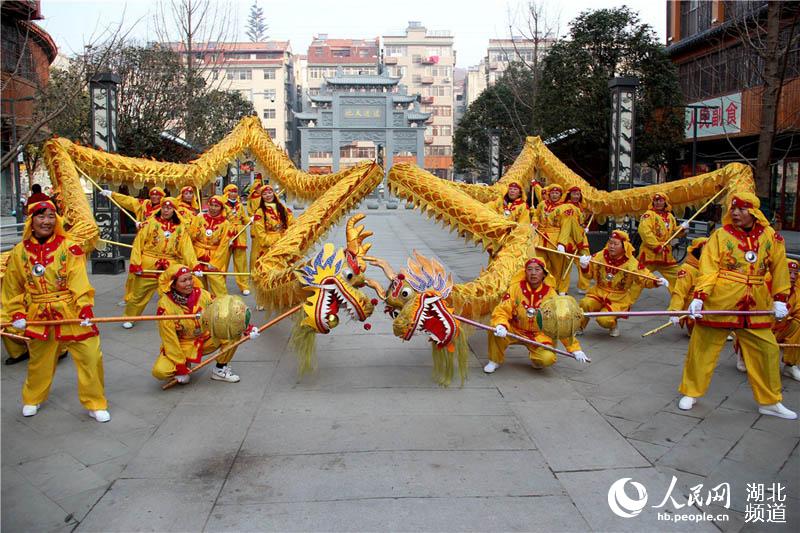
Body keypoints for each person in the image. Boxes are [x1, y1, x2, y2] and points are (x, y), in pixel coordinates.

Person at [678, 192, 796, 420]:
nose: (735, 213)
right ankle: (691, 392)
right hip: (721, 300)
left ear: (753, 212)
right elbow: (709, 268)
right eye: (733, 208)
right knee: (701, 348)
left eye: (741, 209)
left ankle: (770, 401)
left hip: (756, 304)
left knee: (768, 350)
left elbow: (780, 268)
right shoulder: (720, 236)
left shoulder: (770, 236)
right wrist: (700, 296)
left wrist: (780, 298)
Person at [1, 200, 109, 421]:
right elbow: (12, 286)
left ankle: (95, 402)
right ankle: (32, 398)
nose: (46, 221)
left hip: (71, 309)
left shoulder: (69, 247)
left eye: (51, 216)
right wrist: (16, 313)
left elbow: (79, 279)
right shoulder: (20, 252)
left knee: (90, 355)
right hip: (38, 312)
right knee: (39, 361)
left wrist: (85, 308)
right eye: (41, 216)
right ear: (31, 221)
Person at [152, 264, 253, 384]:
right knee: (160, 371)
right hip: (182, 345)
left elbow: (224, 310)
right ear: (172, 284)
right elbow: (169, 339)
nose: (189, 283)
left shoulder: (202, 294)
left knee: (233, 332)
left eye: (190, 278)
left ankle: (220, 369)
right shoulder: (164, 305)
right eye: (184, 280)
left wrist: (246, 326)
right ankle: (184, 362)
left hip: (206, 338)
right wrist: (179, 366)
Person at [484, 257, 588, 373]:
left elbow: (560, 323)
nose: (533, 273)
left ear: (544, 273)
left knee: (547, 358)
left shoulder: (551, 295)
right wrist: (501, 325)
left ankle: (537, 359)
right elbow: (502, 310)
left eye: (537, 269)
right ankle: (495, 360)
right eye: (529, 269)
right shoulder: (515, 288)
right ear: (525, 272)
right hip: (515, 329)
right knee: (494, 329)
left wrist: (575, 349)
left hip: (540, 334)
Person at [123, 197, 199, 328]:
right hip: (149, 261)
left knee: (171, 292)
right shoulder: (150, 223)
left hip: (170, 263)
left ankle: (173, 318)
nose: (166, 210)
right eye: (164, 207)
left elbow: (186, 248)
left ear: (174, 210)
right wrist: (136, 263)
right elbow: (138, 244)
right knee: (139, 293)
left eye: (169, 208)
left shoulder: (180, 228)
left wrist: (194, 265)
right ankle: (130, 317)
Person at [578, 230, 669, 337]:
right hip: (598, 291)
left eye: (615, 244)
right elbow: (589, 275)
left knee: (604, 320)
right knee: (585, 303)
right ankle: (579, 326)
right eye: (610, 243)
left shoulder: (631, 262)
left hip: (618, 298)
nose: (611, 246)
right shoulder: (600, 255)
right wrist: (585, 266)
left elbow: (644, 277)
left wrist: (656, 281)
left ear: (624, 246)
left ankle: (613, 323)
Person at [530, 184, 584, 295]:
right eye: (553, 193)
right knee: (540, 264)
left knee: (560, 266)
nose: (554, 195)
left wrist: (562, 243)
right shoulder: (542, 204)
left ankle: (561, 289)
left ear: (561, 194)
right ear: (549, 193)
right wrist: (534, 222)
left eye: (557, 193)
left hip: (555, 239)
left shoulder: (565, 208)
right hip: (540, 238)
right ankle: (544, 286)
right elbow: (536, 215)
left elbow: (566, 226)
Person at [637, 193, 689, 287]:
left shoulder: (670, 216)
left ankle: (680, 298)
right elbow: (645, 232)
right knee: (638, 280)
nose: (658, 203)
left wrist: (681, 229)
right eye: (656, 200)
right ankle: (624, 299)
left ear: (665, 202)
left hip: (666, 256)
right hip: (650, 256)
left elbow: (673, 233)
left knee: (678, 278)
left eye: (660, 200)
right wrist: (656, 246)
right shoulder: (648, 215)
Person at [190, 195, 233, 297]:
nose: (213, 208)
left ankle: (222, 308)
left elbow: (223, 245)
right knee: (198, 286)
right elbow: (190, 237)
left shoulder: (225, 223)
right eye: (211, 205)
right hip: (197, 254)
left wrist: (215, 263)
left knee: (219, 286)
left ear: (221, 208)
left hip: (214, 257)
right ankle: (201, 307)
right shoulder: (199, 218)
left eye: (216, 206)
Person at [666, 237, 709, 335]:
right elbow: (679, 291)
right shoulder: (687, 269)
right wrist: (674, 311)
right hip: (692, 305)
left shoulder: (710, 267)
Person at [251, 183, 293, 273]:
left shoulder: (282, 208)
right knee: (269, 269)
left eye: (270, 192)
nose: (268, 195)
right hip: (269, 245)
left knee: (284, 268)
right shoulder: (260, 212)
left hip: (283, 241)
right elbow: (260, 232)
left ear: (273, 193)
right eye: (264, 194)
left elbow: (291, 223)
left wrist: (288, 237)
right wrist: (272, 242)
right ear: (261, 196)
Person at [773, 259, 800, 382]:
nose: (793, 276)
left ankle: (790, 365)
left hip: (780, 328)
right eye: (789, 273)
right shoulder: (767, 284)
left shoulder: (796, 290)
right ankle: (743, 356)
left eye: (796, 273)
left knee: (798, 324)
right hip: (762, 328)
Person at [224, 184, 251, 296]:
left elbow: (244, 219)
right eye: (232, 191)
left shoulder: (240, 206)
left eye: (236, 191)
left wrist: (250, 220)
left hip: (239, 236)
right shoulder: (222, 205)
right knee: (223, 261)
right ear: (226, 192)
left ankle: (243, 285)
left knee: (241, 262)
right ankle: (220, 285)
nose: (234, 193)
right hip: (226, 235)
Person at [565, 186, 592, 294]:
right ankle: (562, 286)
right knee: (565, 263)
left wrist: (584, 226)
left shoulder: (580, 206)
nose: (576, 196)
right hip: (570, 238)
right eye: (574, 194)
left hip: (581, 236)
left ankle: (583, 286)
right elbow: (571, 225)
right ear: (569, 195)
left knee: (584, 261)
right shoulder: (567, 207)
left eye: (578, 194)